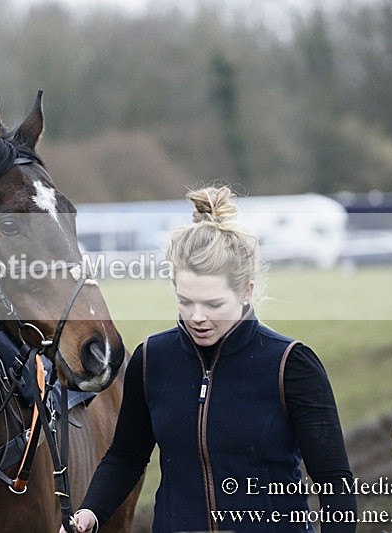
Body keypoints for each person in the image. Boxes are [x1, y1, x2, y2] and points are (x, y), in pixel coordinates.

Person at [64, 186, 357, 532]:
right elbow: (126, 455)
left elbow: (333, 481)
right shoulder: (151, 361)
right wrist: (91, 511)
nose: (197, 317)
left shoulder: (291, 365)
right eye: (186, 301)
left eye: (213, 304)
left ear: (246, 290)